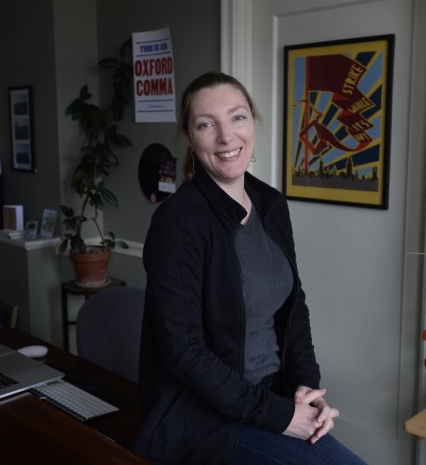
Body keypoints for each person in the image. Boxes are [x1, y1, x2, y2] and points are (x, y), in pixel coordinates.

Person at [133, 71, 366, 465]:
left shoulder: (270, 204)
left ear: (252, 122)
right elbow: (185, 352)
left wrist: (306, 389)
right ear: (189, 138)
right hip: (209, 418)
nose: (226, 137)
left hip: (274, 396)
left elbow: (293, 307)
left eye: (237, 117)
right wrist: (281, 417)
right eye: (207, 124)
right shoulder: (178, 222)